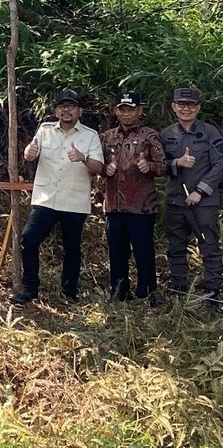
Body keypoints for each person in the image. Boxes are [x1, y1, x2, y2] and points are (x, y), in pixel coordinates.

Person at [10, 89, 103, 304]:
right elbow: (29, 153)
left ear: (80, 111)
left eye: (71, 106)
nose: (66, 110)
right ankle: (30, 288)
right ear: (56, 111)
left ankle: (69, 293)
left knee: (71, 248)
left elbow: (98, 167)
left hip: (74, 200)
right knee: (29, 239)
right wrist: (29, 153)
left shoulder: (90, 135)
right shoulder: (45, 130)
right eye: (62, 106)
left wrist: (82, 157)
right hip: (46, 198)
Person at [99, 91, 165, 302]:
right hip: (113, 205)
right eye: (122, 109)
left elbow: (164, 166)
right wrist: (104, 169)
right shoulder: (106, 137)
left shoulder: (150, 135)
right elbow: (95, 164)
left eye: (131, 109)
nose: (127, 113)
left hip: (142, 206)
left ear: (140, 111)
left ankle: (147, 293)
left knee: (143, 250)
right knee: (117, 252)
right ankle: (119, 292)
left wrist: (150, 166)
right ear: (116, 111)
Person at [161, 87, 223, 309]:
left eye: (191, 105)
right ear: (174, 107)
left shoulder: (210, 132)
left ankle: (213, 295)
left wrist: (200, 191)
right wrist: (177, 163)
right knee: (176, 247)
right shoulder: (167, 134)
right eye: (181, 104)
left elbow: (219, 165)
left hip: (204, 203)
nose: (186, 109)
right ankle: (178, 291)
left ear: (198, 108)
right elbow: (159, 166)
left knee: (209, 247)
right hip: (175, 201)